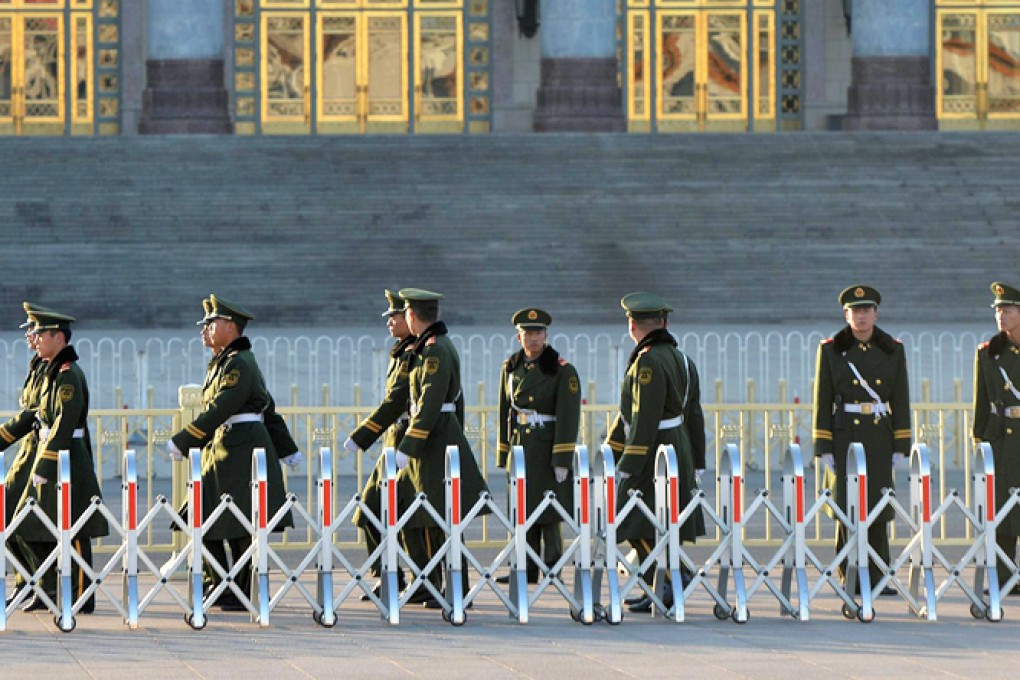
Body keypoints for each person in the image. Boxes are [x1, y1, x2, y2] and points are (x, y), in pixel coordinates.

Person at [169, 295, 300, 611]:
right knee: (201, 516)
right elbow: (265, 406)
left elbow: (224, 408)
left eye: (210, 324)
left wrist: (185, 440)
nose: (204, 330)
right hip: (222, 449)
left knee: (241, 523)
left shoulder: (239, 363)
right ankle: (220, 582)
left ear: (229, 326)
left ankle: (243, 589)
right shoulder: (225, 362)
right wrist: (287, 448)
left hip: (242, 450)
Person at [604, 292, 705, 613]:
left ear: (632, 325)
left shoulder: (647, 361)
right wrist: (698, 459)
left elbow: (643, 416)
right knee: (660, 522)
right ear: (664, 323)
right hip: (679, 445)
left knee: (633, 518)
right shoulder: (683, 360)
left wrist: (629, 461)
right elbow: (695, 414)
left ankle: (672, 579)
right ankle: (663, 584)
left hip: (653, 449)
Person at [8, 306, 108, 612]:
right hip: (51, 454)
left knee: (75, 527)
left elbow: (65, 423)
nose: (35, 338)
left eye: (40, 333)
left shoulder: (68, 375)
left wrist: (46, 463)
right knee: (29, 525)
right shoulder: (50, 370)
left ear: (58, 337)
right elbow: (35, 415)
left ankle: (81, 595)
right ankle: (45, 586)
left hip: (69, 459)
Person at [395, 288, 490, 608]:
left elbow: (430, 403)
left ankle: (456, 587)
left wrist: (409, 444)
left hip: (434, 441)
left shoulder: (435, 350)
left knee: (445, 519)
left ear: (411, 315)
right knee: (429, 517)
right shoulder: (428, 347)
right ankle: (434, 584)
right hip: (433, 440)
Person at [813, 285, 910, 596]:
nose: (862, 316)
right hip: (845, 435)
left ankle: (879, 574)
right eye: (855, 311)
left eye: (867, 310)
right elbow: (822, 399)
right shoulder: (831, 349)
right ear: (846, 315)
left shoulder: (893, 349)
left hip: (879, 434)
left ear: (876, 314)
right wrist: (823, 444)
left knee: (878, 506)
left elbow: (901, 398)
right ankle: (850, 574)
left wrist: (901, 443)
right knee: (847, 507)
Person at [496, 307, 580, 584]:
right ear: (518, 336)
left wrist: (562, 458)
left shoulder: (561, 369)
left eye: (538, 333)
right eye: (528, 333)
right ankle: (524, 567)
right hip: (521, 445)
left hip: (546, 444)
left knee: (548, 509)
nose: (533, 338)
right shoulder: (511, 368)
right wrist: (504, 451)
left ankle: (553, 567)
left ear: (546, 335)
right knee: (522, 508)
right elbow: (505, 410)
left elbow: (569, 416)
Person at [344, 289, 418, 599]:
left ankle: (420, 579)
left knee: (412, 514)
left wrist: (362, 435)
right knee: (371, 508)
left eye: (395, 316)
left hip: (408, 442)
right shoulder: (400, 352)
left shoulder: (415, 353)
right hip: (394, 441)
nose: (389, 321)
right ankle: (388, 574)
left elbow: (395, 401)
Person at [1, 303, 51, 607]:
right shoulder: (38, 366)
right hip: (28, 451)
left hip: (41, 454)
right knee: (8, 516)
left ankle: (42, 585)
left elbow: (33, 414)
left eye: (34, 330)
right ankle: (27, 582)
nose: (29, 336)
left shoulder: (55, 370)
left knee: (24, 520)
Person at [973, 281, 1020, 595]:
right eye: (998, 310)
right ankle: (1003, 576)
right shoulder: (989, 353)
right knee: (1002, 509)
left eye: (1008, 310)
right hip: (1002, 438)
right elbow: (982, 402)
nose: (1001, 316)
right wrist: (980, 442)